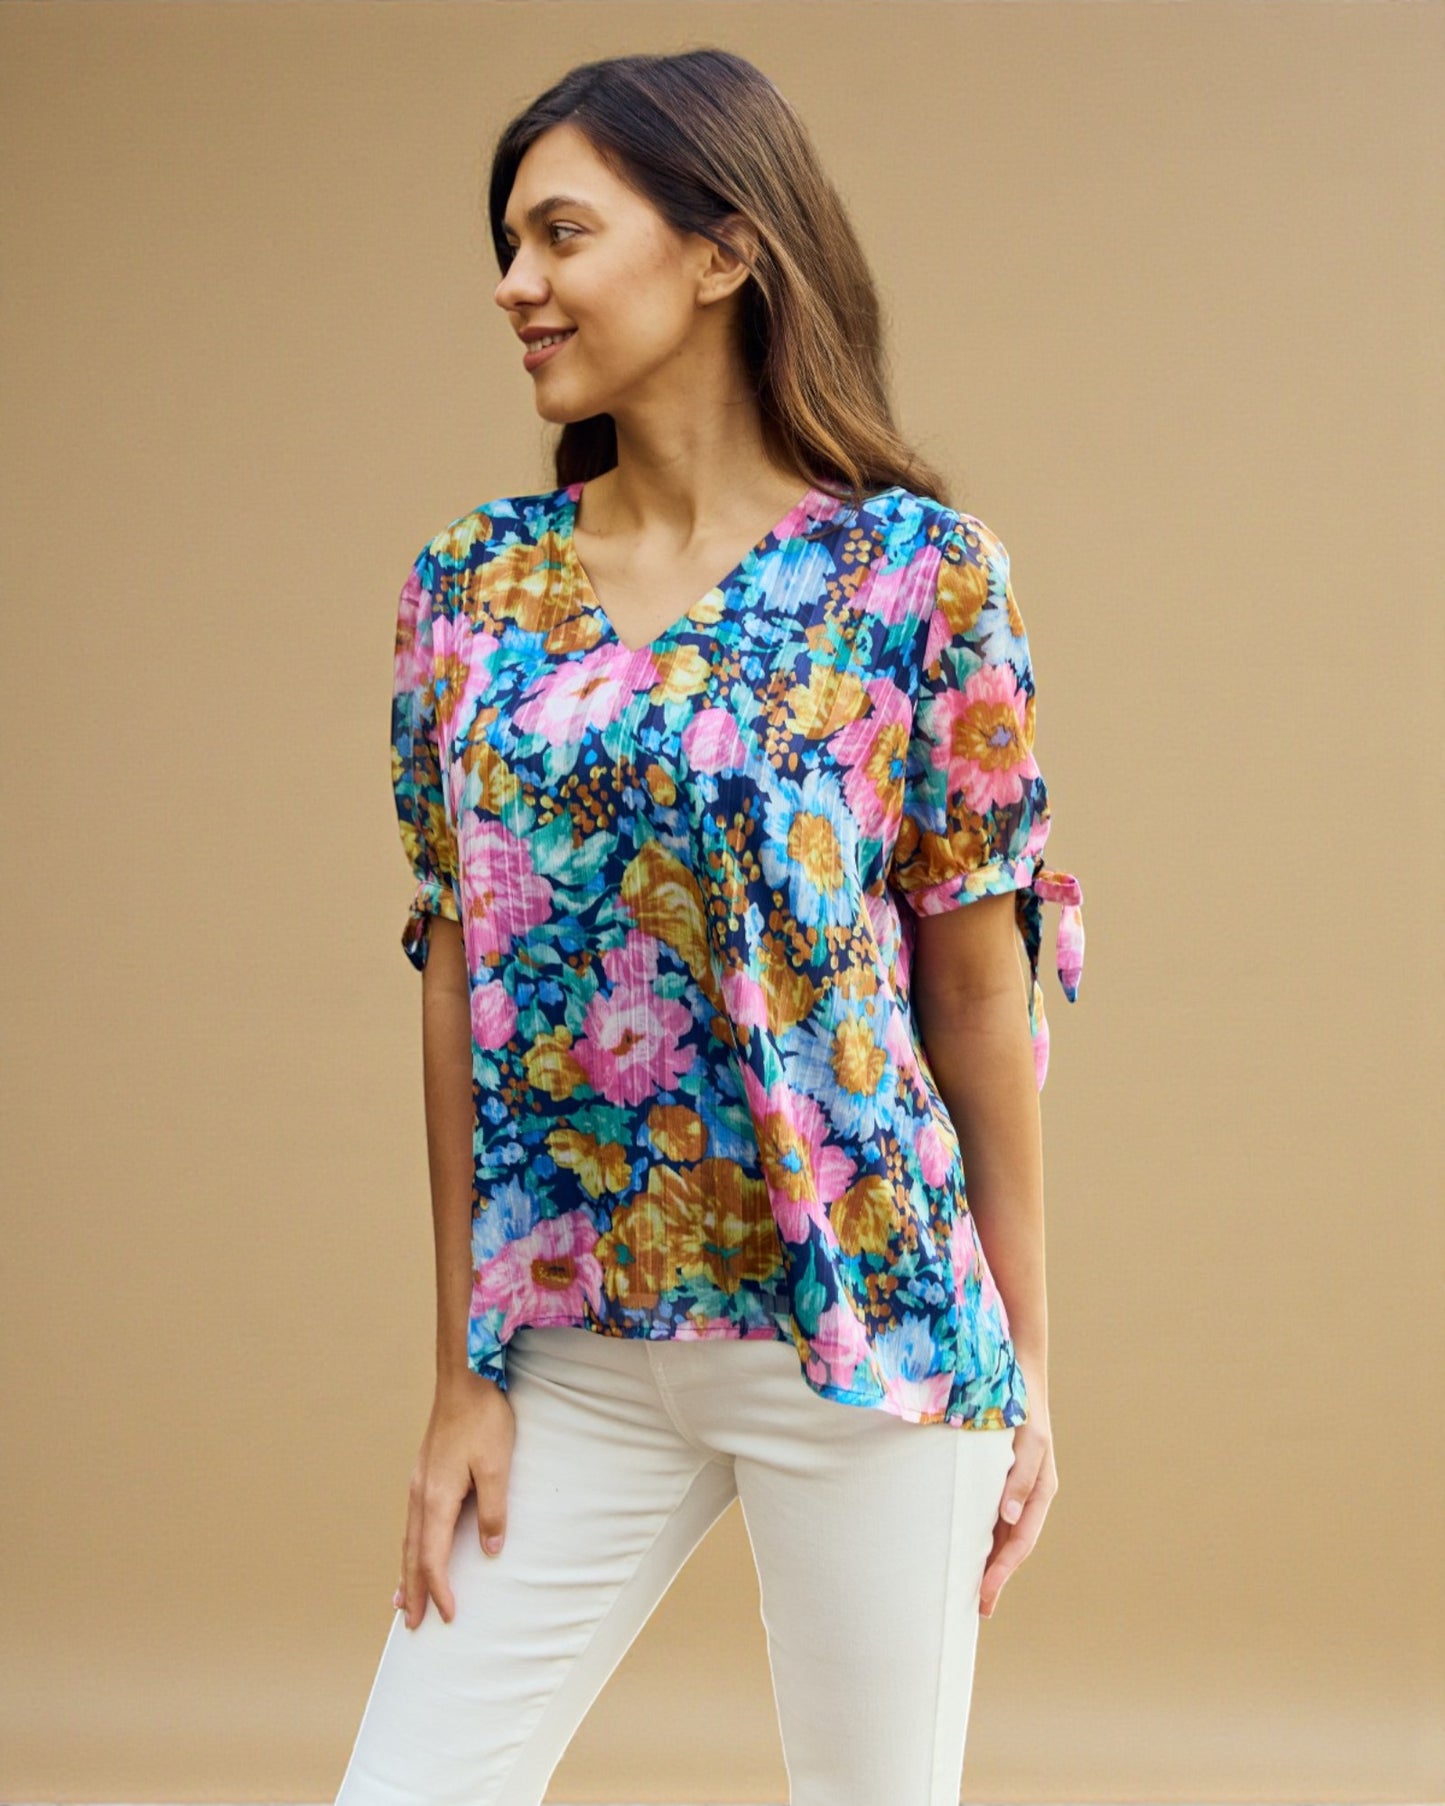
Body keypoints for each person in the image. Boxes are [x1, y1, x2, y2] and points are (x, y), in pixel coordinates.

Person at [335, 46, 1086, 1806]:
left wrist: (1026, 1361)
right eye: (506, 243)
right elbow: (456, 975)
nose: (512, 283)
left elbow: (975, 991)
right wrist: (460, 1369)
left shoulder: (917, 577)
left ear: (724, 250)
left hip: (869, 1329)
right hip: (575, 1343)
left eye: (559, 234)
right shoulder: (468, 589)